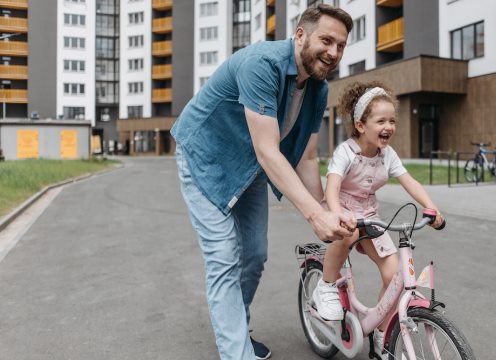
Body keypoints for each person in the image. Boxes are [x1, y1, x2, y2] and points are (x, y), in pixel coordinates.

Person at [171, 5, 355, 360]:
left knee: (254, 255)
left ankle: (234, 331)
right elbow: (269, 150)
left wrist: (330, 210)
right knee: (224, 257)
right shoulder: (262, 64)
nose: (333, 52)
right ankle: (236, 352)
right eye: (327, 40)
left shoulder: (318, 88)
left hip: (250, 165)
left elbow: (305, 156)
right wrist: (314, 218)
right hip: (205, 157)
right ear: (300, 35)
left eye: (341, 45)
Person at [312, 81, 445, 354]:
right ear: (361, 125)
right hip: (343, 211)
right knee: (347, 232)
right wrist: (336, 214)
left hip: (370, 217)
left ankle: (381, 331)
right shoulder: (346, 152)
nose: (389, 127)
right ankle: (325, 286)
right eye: (381, 120)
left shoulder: (388, 155)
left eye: (392, 121)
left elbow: (410, 182)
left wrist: (432, 208)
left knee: (394, 274)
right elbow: (333, 186)